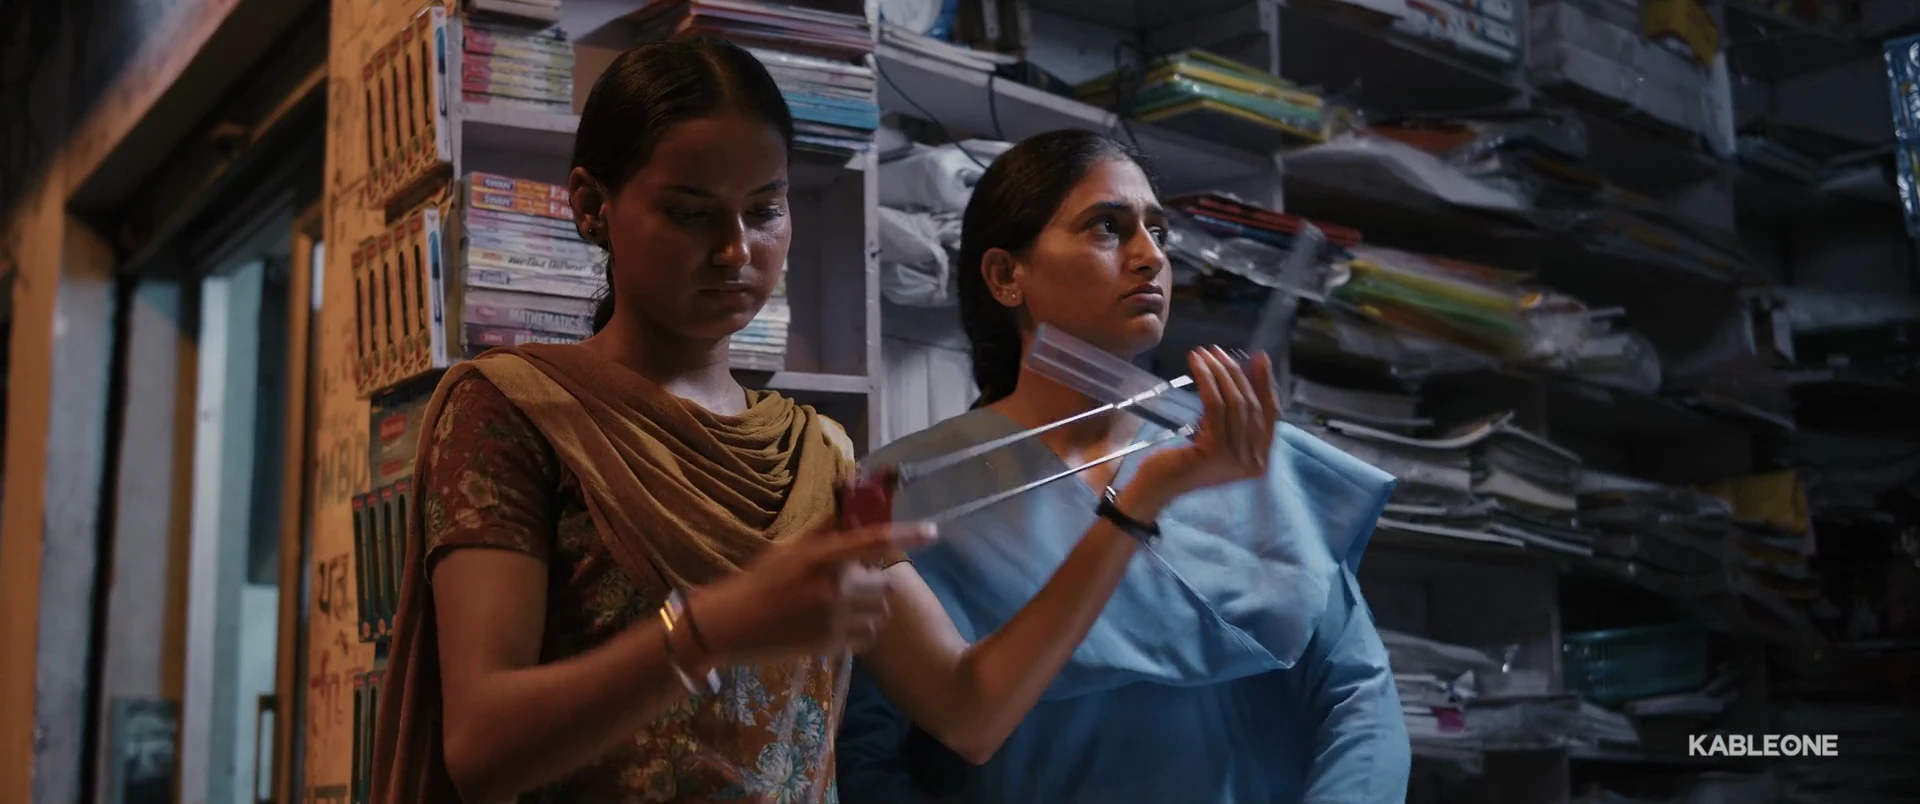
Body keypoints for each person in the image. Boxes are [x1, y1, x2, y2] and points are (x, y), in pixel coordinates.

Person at [369, 40, 1280, 804]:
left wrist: (1138, 500)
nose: (737, 249)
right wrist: (712, 629)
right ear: (589, 206)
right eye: (690, 214)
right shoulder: (514, 411)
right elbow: (480, 748)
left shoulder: (819, 454)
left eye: (765, 211)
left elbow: (969, 708)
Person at [834, 129, 1412, 804]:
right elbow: (863, 751)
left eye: (1158, 231)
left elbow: (1360, 699)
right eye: (1107, 227)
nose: (1151, 256)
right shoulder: (905, 490)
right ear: (1005, 276)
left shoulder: (1248, 455)